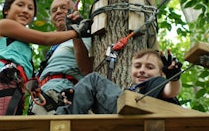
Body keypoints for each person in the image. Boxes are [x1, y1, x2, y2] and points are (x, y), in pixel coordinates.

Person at [0, 0, 91, 116]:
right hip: (3, 83)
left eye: (30, 8)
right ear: (6, 10)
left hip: (12, 87)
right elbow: (45, 39)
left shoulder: (20, 45)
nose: (25, 10)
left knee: (7, 129)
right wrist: (78, 31)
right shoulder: (4, 25)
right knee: (1, 128)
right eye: (20, 5)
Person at [55, 48, 183, 114]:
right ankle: (68, 107)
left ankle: (63, 118)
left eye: (150, 67)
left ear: (161, 73)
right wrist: (76, 96)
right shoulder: (138, 92)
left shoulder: (156, 82)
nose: (142, 70)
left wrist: (174, 77)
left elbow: (171, 91)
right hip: (127, 119)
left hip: (144, 118)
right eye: (137, 66)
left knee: (94, 80)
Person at [28, 0, 93, 115]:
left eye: (63, 7)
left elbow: (87, 70)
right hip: (41, 97)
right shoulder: (53, 47)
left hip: (62, 94)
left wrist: (76, 31)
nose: (58, 11)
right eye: (54, 10)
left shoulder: (85, 38)